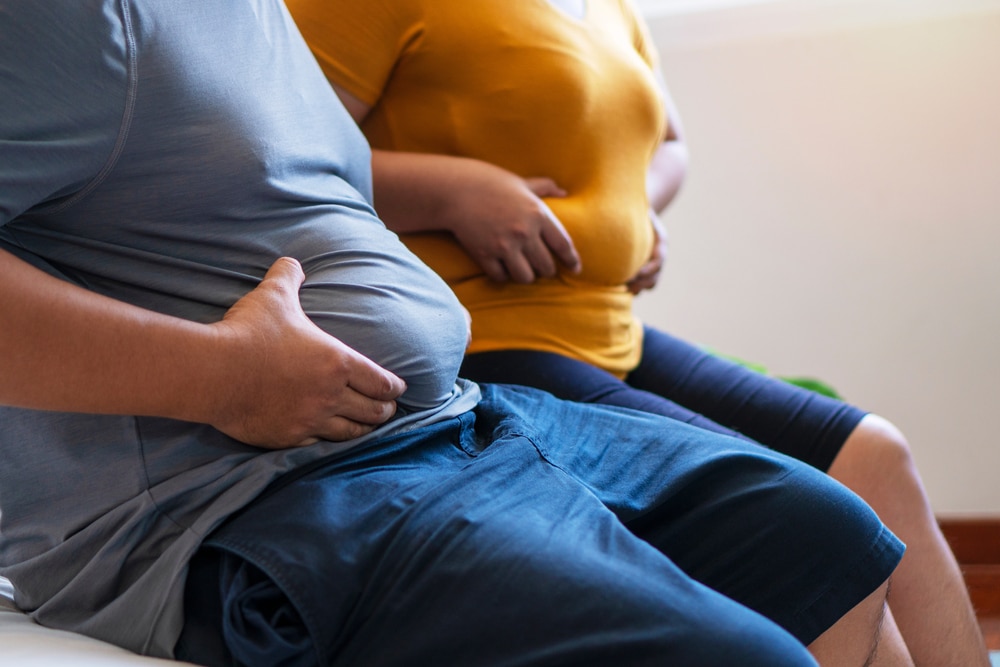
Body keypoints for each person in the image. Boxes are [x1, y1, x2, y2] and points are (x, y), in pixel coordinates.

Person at [0, 1, 911, 665]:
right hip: (242, 500)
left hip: (447, 422)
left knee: (832, 538)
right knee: (741, 655)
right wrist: (219, 377)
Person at [283, 0, 989, 663]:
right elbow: (279, 157)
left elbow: (669, 142)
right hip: (481, 344)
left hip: (610, 329)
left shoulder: (609, 6)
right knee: (803, 519)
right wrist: (452, 191)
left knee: (877, 456)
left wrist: (638, 206)